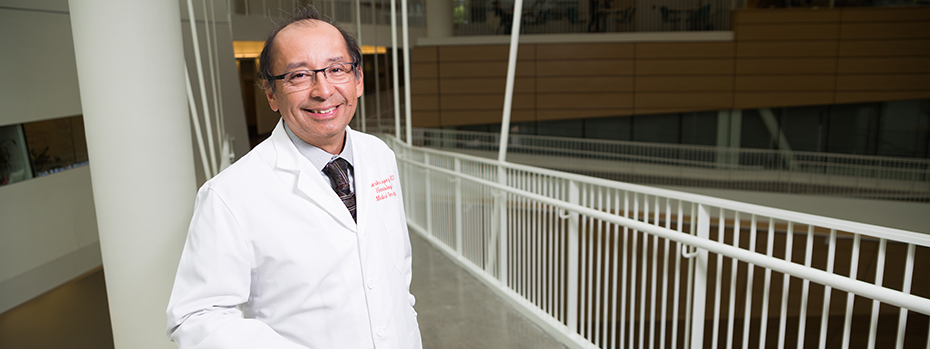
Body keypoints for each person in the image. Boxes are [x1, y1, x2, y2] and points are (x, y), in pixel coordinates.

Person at [165, 6, 422, 349]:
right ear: (271, 93)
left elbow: (395, 271)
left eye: (336, 69)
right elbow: (196, 317)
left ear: (357, 80)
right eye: (299, 76)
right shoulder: (230, 194)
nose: (323, 90)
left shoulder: (379, 155)